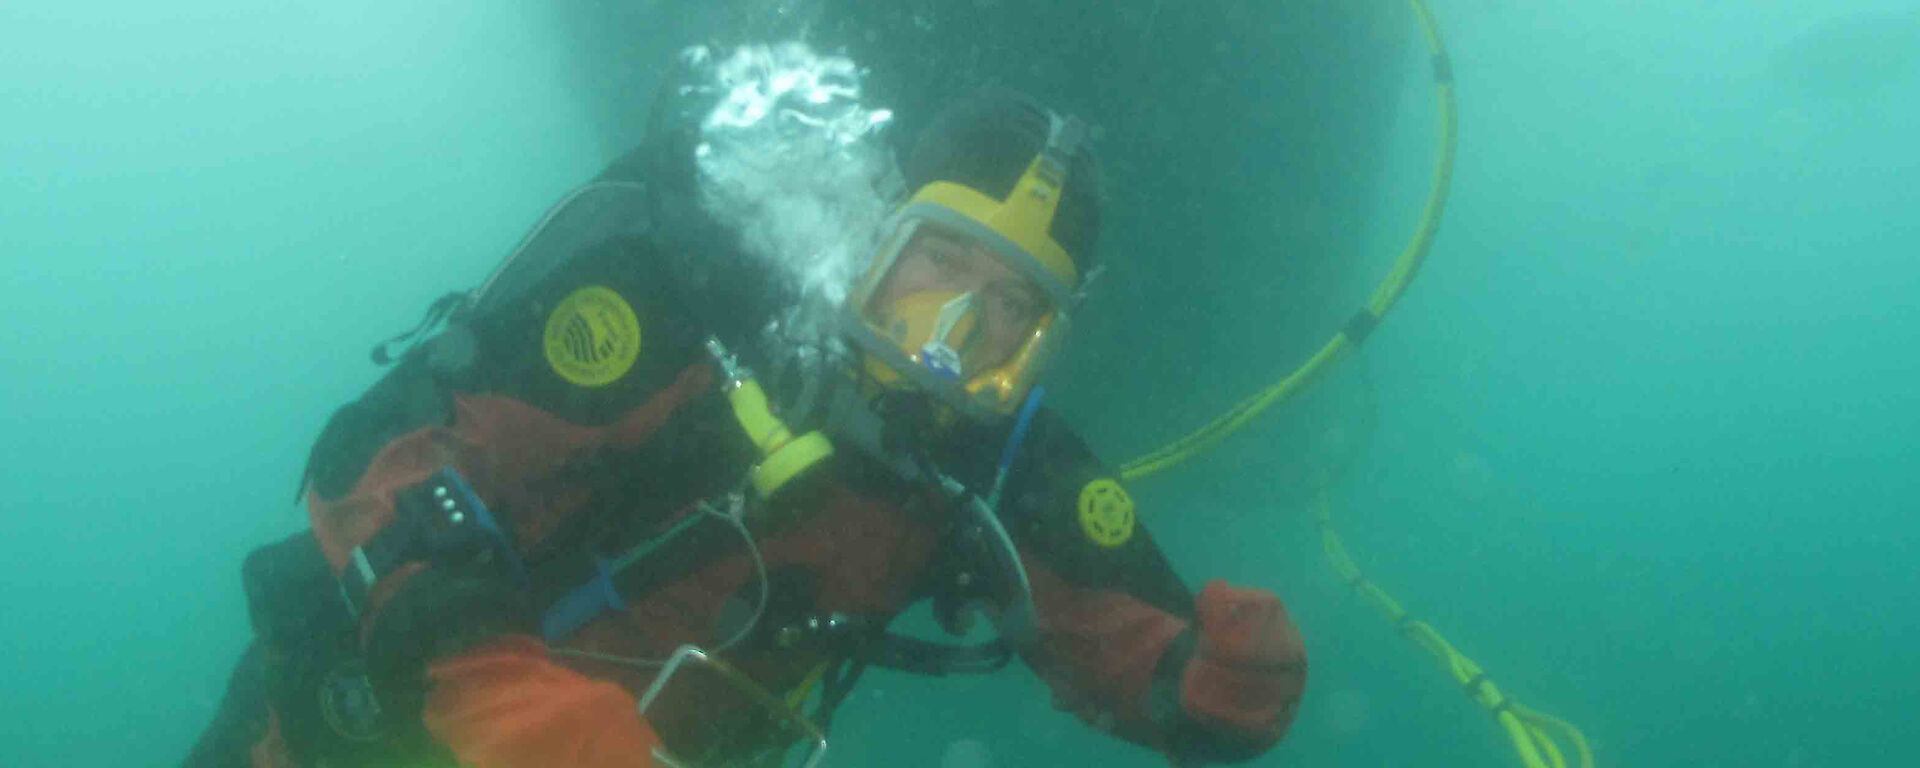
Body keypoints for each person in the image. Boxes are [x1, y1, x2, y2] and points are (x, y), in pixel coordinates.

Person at [187, 82, 1306, 768]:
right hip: (345, 738)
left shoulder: (989, 449)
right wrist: (497, 689)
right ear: (875, 227)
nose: (957, 328)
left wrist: (1215, 690)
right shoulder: (674, 296)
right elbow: (374, 459)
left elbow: (1129, 644)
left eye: (1013, 308)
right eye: (942, 260)